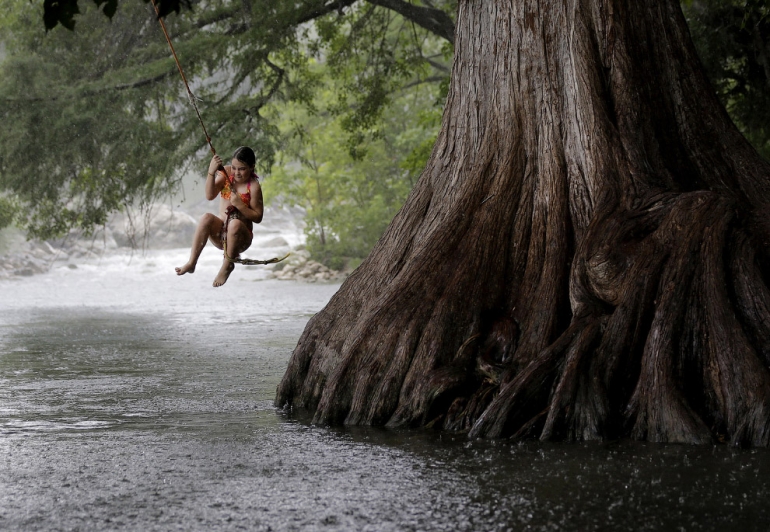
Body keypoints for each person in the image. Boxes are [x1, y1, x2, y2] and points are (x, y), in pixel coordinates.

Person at [175, 146, 264, 287]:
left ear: (252, 167)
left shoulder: (253, 186)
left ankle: (228, 265)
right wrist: (211, 172)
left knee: (235, 223)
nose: (236, 173)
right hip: (221, 235)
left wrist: (240, 205)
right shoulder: (226, 173)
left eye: (242, 169)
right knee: (206, 217)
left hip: (240, 238)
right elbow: (210, 195)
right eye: (234, 168)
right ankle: (192, 262)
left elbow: (258, 217)